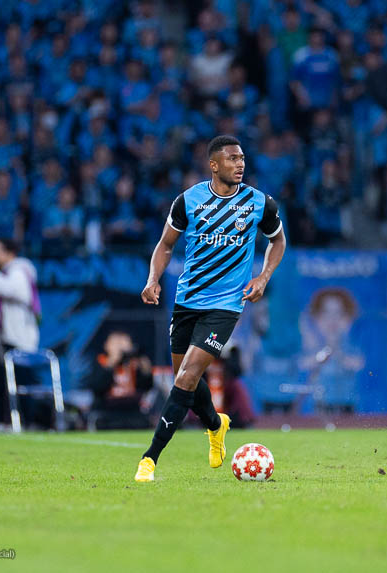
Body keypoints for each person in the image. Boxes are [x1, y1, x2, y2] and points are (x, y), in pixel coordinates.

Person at [135, 134, 286, 482]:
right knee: (184, 378)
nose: (240, 164)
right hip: (187, 301)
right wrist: (153, 279)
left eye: (242, 158)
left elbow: (278, 240)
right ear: (214, 165)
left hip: (226, 306)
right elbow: (165, 244)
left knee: (187, 376)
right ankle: (216, 425)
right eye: (232, 159)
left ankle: (149, 459)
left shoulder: (259, 203)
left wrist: (263, 277)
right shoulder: (188, 201)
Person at [84, 331, 154, 430]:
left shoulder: (133, 364)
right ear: (107, 346)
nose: (120, 347)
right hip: (106, 411)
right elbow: (97, 387)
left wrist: (146, 371)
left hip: (131, 411)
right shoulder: (100, 362)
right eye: (116, 343)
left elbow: (147, 387)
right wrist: (112, 362)